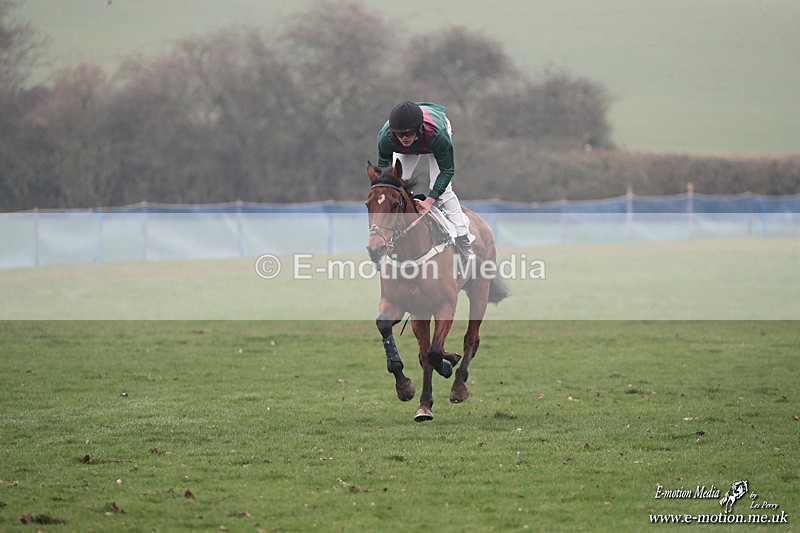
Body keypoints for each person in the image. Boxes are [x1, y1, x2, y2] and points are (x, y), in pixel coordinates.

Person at [377, 101, 474, 260]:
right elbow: (383, 175)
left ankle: (463, 239)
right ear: (393, 132)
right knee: (396, 187)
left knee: (444, 193)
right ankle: (390, 237)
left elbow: (447, 171)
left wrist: (430, 200)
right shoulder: (386, 138)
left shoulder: (437, 135)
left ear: (419, 128)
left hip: (431, 137)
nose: (405, 138)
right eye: (400, 134)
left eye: (409, 133)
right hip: (418, 137)